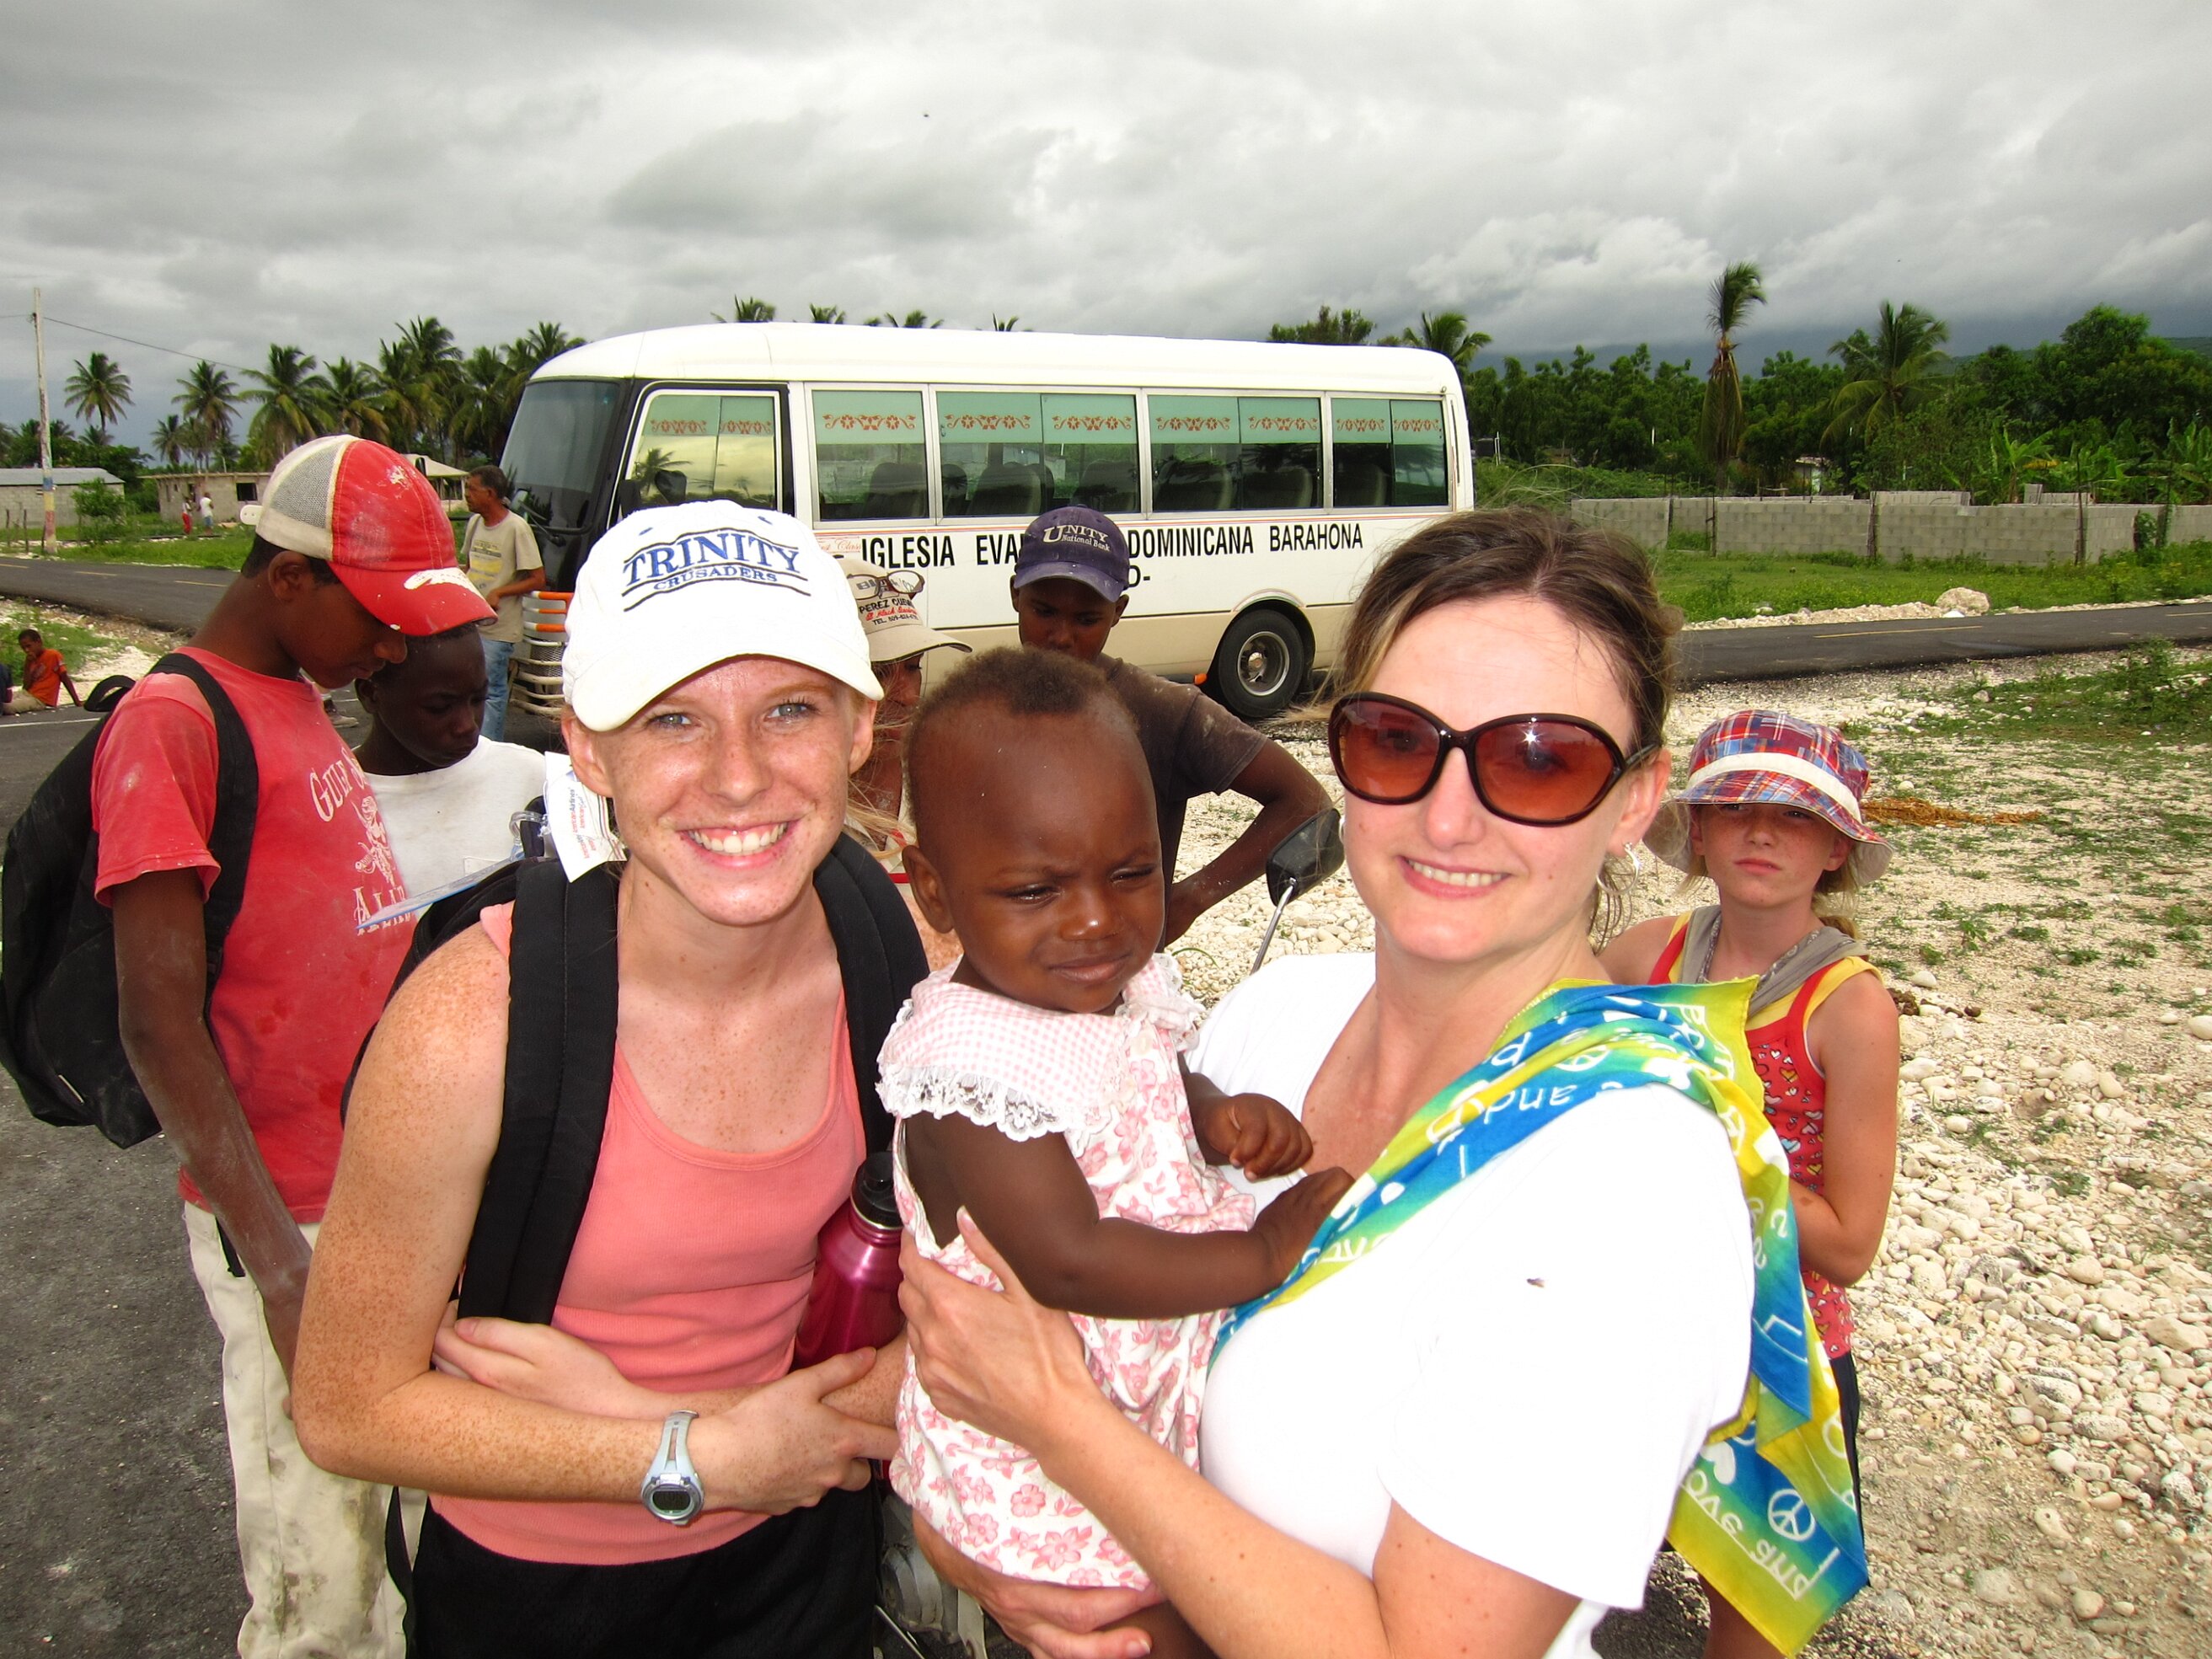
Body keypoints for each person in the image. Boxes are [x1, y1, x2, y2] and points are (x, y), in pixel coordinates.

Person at [897, 509, 1867, 1659]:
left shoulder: (1629, 1179)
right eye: (1399, 740)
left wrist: (1060, 1428)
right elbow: (987, 1313)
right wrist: (963, 1522)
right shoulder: (1266, 1022)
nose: (1449, 814)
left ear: (1635, 800)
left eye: (1539, 758)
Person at [293, 500, 909, 1659]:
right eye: (673, 719)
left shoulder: (904, 959)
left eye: (788, 709)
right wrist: (695, 1454)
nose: (738, 776)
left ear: (860, 726)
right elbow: (345, 1406)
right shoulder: (475, 1025)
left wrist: (689, 1430)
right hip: (541, 1593)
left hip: (805, 1557)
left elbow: (994, 1321)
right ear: (587, 749)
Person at [94, 433, 494, 1659]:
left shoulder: (299, 703)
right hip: (297, 1218)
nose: (392, 647)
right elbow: (158, 1019)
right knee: (319, 1560)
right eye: (375, 615)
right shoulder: (174, 722)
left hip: (379, 1190)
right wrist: (275, 1263)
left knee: (411, 1534)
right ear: (287, 578)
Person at [889, 647, 1350, 1657]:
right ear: (935, 889)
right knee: (1141, 1630)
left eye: (1133, 872)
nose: (1097, 919)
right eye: (1034, 889)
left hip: (1126, 1411)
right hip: (1038, 1474)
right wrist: (1262, 1253)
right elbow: (1070, 1257)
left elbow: (1147, 1069)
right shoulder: (973, 1069)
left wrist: (1215, 1110)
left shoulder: (1111, 984)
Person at [1602, 710, 1899, 1659]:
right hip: (1638, 1319)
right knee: (1570, 1558)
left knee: (1753, 1610)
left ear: (1835, 850)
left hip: (1779, 1349)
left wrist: (1711, 1141)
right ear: (1696, 830)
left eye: (1794, 817)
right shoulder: (1641, 958)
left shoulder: (1848, 1007)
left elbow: (1848, 1242)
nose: (1761, 832)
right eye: (1734, 809)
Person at [1010, 506, 1326, 943]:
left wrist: (1192, 898)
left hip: (1118, 964)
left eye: (1086, 619)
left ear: (1117, 611)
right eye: (1044, 611)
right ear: (1015, 595)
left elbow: (1305, 801)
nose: (1062, 636)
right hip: (1002, 961)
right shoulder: (981, 706)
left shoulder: (1163, 711)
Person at [838, 556, 968, 968]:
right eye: (879, 672)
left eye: (913, 668)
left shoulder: (949, 781)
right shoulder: (801, 810)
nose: (909, 694)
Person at [353, 624, 545, 897]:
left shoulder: (533, 779)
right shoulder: (330, 799)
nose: (467, 725)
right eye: (440, 708)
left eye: (479, 699)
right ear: (370, 694)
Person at [460, 464, 544, 742]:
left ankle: (490, 748)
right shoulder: (475, 523)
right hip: (470, 623)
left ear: (491, 493)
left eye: (472, 489)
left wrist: (500, 593)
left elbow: (537, 579)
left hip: (498, 628)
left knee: (491, 691)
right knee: (469, 688)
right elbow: (470, 566)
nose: (467, 494)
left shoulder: (516, 528)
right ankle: (472, 747)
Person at [19, 627, 83, 708]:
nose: (27, 650)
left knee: (8, 707)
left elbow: (64, 678)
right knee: (6, 699)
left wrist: (76, 701)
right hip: (28, 695)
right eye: (23, 648)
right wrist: (27, 664)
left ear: (39, 642)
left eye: (29, 646)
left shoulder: (52, 655)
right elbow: (26, 686)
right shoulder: (31, 659)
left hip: (41, 699)